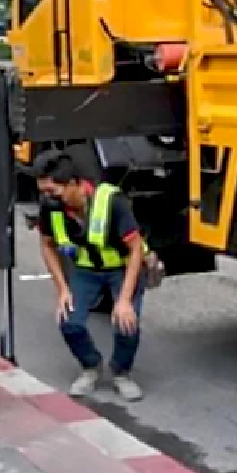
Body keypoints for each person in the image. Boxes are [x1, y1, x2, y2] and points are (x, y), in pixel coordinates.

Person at [35, 153, 149, 401]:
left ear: (74, 183)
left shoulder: (111, 201)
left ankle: (121, 372)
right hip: (87, 271)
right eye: (43, 191)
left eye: (53, 191)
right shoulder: (51, 207)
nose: (47, 197)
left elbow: (136, 248)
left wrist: (124, 300)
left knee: (126, 322)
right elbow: (47, 245)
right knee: (69, 321)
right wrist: (63, 289)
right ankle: (91, 366)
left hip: (122, 267)